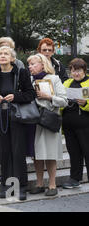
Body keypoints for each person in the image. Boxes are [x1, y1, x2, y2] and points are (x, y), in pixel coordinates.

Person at [0, 46, 36, 200]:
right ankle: (6, 185)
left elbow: (30, 94)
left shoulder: (21, 72)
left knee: (18, 151)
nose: (2, 56)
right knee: (5, 150)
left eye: (6, 54)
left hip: (17, 117)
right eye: (0, 54)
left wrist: (16, 97)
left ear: (12, 58)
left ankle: (20, 186)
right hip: (0, 116)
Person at [27, 53, 67, 197]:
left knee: (50, 154)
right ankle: (39, 184)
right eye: (29, 64)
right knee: (37, 155)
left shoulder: (54, 79)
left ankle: (52, 185)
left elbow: (64, 100)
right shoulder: (29, 80)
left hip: (49, 121)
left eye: (33, 64)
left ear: (43, 65)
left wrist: (48, 97)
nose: (30, 67)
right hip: (33, 121)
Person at [61, 58, 89, 189]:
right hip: (68, 124)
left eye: (78, 70)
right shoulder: (67, 82)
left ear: (84, 70)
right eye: (73, 70)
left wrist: (86, 103)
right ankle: (74, 178)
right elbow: (60, 98)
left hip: (85, 124)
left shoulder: (88, 83)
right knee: (74, 153)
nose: (76, 73)